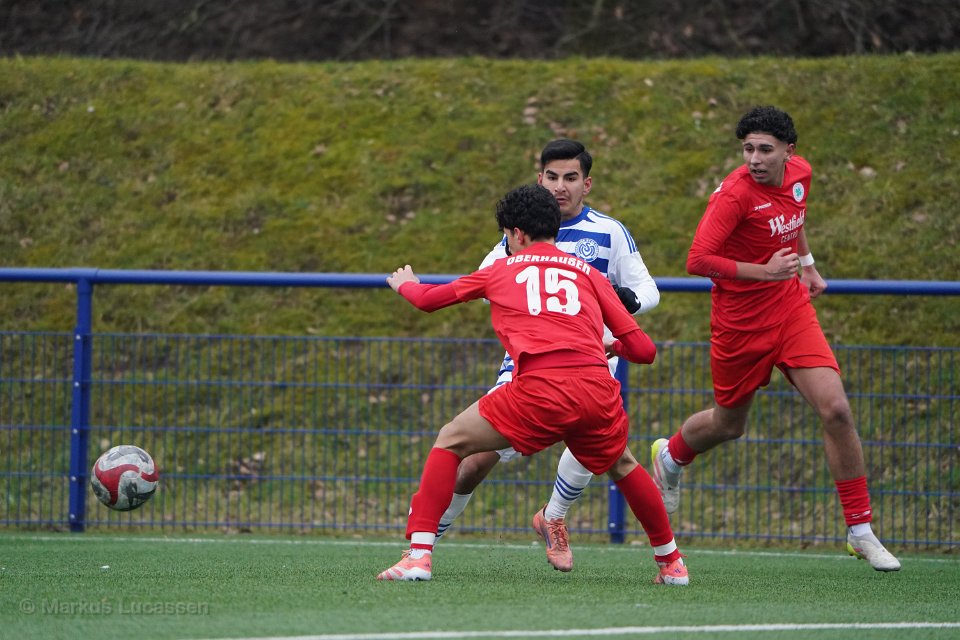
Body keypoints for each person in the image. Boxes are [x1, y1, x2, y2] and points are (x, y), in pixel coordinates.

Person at [376, 183, 688, 585]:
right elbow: (645, 350)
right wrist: (612, 345)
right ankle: (672, 564)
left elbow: (427, 300)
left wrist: (405, 283)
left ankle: (418, 557)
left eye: (507, 235)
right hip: (596, 390)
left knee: (451, 440)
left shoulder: (501, 269)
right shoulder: (589, 274)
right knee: (624, 465)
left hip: (539, 389)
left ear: (516, 233)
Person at [649, 106, 901, 571]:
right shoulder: (733, 196)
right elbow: (698, 259)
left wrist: (807, 266)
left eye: (765, 149)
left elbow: (794, 218)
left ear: (789, 151)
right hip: (739, 323)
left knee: (836, 409)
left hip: (789, 311)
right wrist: (763, 271)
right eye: (748, 149)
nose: (754, 159)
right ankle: (671, 454)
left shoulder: (801, 174)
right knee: (729, 424)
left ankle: (860, 531)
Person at [435, 138, 660, 573]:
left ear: (586, 184)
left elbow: (648, 290)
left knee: (604, 455)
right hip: (528, 365)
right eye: (552, 177)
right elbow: (484, 281)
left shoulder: (610, 232)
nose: (561, 186)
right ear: (540, 180)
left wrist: (624, 300)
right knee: (476, 458)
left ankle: (554, 517)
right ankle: (428, 537)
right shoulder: (518, 233)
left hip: (594, 364)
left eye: (570, 178)